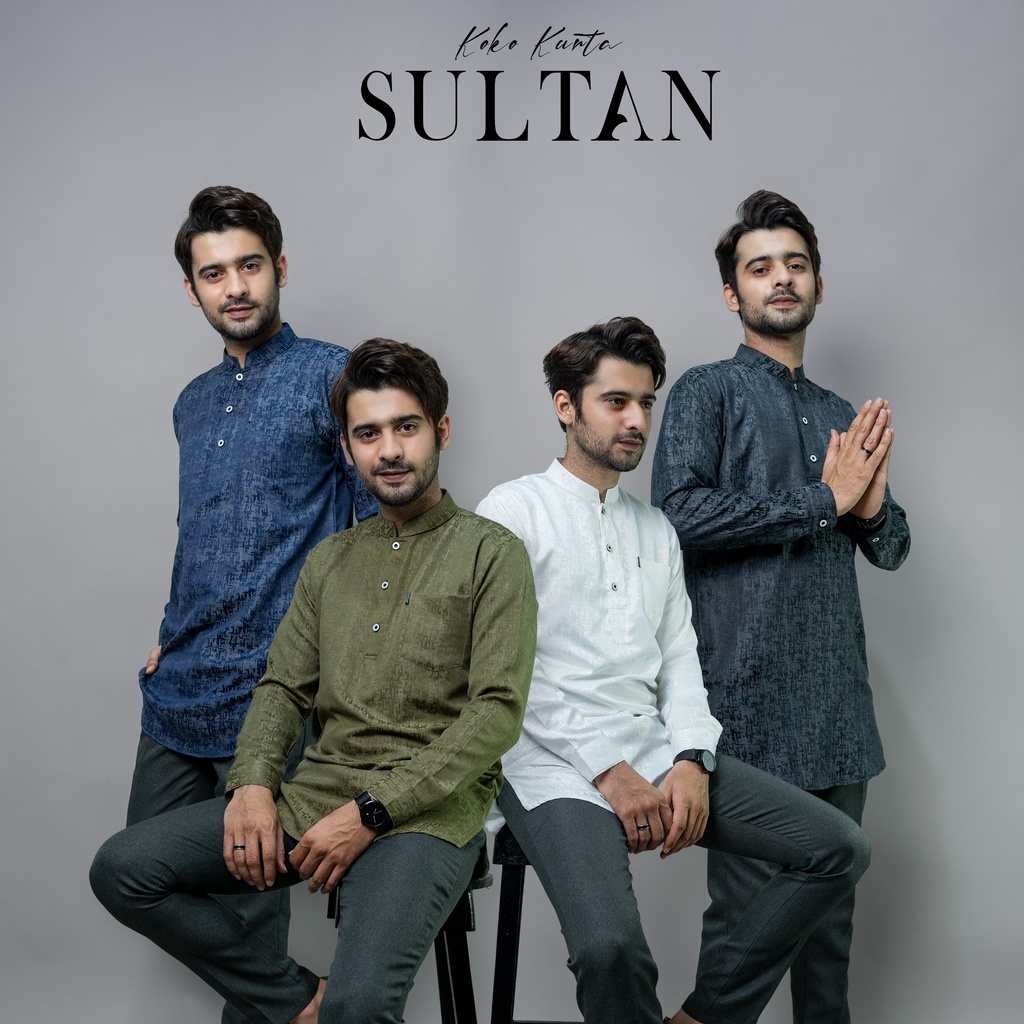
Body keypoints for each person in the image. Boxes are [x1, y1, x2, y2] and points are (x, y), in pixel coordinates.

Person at [92, 338, 537, 1024]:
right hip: (317, 794)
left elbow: (497, 712)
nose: (389, 450)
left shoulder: (492, 553)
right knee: (124, 870)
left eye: (406, 427)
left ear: (441, 431)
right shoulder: (330, 560)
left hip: (426, 815)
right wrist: (251, 786)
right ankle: (297, 1000)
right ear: (348, 448)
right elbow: (283, 688)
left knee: (358, 1008)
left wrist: (372, 812)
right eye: (368, 434)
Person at [476, 317, 871, 1024]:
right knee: (611, 950)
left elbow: (681, 662)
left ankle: (706, 1016)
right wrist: (608, 769)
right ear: (565, 406)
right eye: (615, 402)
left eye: (645, 402)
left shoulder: (656, 529)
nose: (636, 421)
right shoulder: (512, 511)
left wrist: (691, 757)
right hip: (547, 765)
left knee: (837, 848)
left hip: (652, 749)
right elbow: (503, 674)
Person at [651, 191, 911, 1023]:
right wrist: (822, 500)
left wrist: (867, 505)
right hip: (746, 707)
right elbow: (678, 516)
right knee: (744, 927)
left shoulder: (841, 416)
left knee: (827, 939)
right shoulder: (708, 392)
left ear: (819, 285)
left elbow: (892, 549)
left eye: (796, 264)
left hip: (839, 711)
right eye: (760, 267)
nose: (781, 278)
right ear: (733, 294)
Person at [125, 185, 376, 1023]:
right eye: (213, 273)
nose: (234, 287)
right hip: (179, 686)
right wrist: (170, 634)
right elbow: (198, 532)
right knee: (138, 869)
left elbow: (380, 529)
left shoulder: (334, 376)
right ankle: (307, 1003)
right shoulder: (191, 402)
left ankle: (292, 1006)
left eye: (249, 266)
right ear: (191, 288)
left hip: (274, 690)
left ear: (280, 268)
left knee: (251, 898)